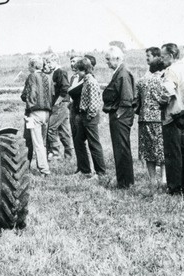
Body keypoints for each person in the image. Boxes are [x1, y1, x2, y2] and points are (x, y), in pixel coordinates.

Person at [159, 43, 184, 195]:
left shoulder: (171, 70)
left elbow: (168, 91)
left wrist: (161, 102)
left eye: (163, 56)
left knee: (172, 153)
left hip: (173, 116)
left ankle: (174, 187)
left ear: (171, 56)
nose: (161, 59)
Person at [102, 46, 136, 188]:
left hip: (120, 116)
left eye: (108, 59)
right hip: (118, 115)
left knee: (121, 149)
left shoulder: (122, 74)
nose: (107, 63)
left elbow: (127, 99)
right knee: (120, 148)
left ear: (117, 58)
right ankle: (124, 180)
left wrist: (117, 115)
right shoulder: (120, 72)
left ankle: (125, 182)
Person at [70, 57, 107, 177]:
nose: (77, 73)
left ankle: (101, 172)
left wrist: (89, 116)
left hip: (89, 117)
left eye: (78, 71)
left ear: (84, 70)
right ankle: (85, 170)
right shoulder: (86, 80)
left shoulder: (91, 81)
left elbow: (95, 102)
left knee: (94, 144)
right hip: (84, 115)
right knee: (78, 140)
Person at [135, 54, 166, 182]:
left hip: (144, 119)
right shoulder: (163, 82)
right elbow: (164, 100)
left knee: (147, 150)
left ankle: (152, 179)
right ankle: (164, 178)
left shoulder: (141, 81)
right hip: (160, 119)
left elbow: (136, 101)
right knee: (162, 149)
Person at [20, 55, 52, 176]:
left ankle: (44, 170)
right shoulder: (48, 77)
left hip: (35, 112)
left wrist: (28, 102)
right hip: (47, 113)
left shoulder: (32, 77)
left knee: (36, 143)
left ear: (32, 66)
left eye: (29, 65)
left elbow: (29, 94)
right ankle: (35, 167)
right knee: (42, 142)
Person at [44, 53, 73, 161]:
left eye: (49, 62)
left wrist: (57, 103)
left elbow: (65, 88)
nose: (48, 64)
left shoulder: (60, 72)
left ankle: (55, 153)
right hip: (62, 104)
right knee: (64, 130)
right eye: (47, 62)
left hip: (61, 104)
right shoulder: (55, 72)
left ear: (56, 61)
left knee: (51, 128)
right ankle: (69, 155)